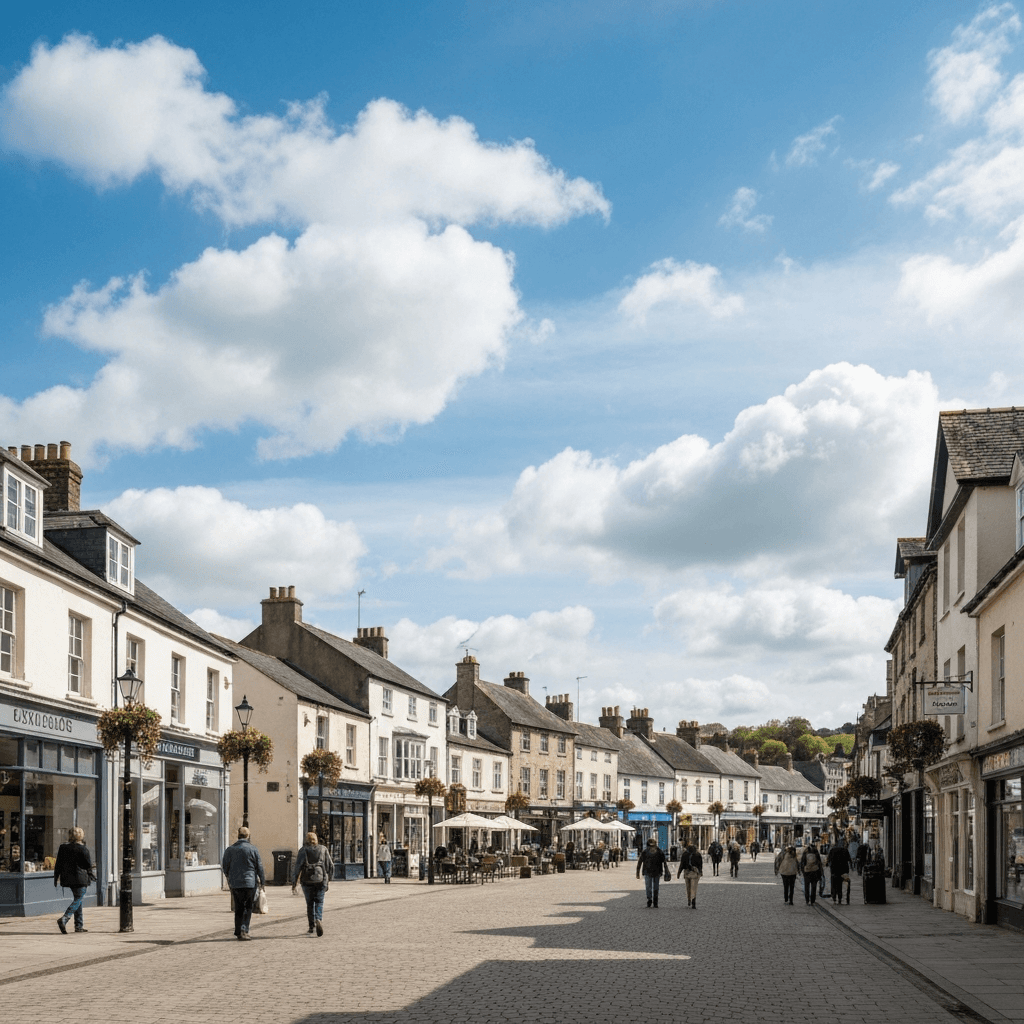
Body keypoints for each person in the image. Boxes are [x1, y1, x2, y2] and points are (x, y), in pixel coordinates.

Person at [221, 826, 266, 941]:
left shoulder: (230, 850)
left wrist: (229, 877)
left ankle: (238, 930)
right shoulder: (253, 849)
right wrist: (262, 882)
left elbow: (225, 866)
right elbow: (259, 867)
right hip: (249, 883)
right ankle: (244, 930)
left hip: (235, 883)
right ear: (248, 836)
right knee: (248, 907)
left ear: (238, 835)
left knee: (239, 907)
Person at [291, 831, 334, 936]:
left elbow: (297, 868)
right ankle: (318, 919)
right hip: (321, 879)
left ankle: (311, 927)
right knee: (319, 902)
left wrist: (294, 883)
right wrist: (329, 879)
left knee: (310, 904)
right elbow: (331, 866)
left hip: (306, 880)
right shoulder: (323, 849)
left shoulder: (303, 851)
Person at [54, 826, 95, 934]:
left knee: (78, 899)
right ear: (81, 836)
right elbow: (88, 865)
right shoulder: (83, 848)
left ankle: (79, 926)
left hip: (68, 878)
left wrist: (56, 877)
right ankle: (65, 918)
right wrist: (91, 874)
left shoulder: (63, 847)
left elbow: (58, 863)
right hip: (80, 878)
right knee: (78, 899)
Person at [636, 837, 667, 908]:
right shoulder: (645, 852)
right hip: (647, 872)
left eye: (653, 846)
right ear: (648, 846)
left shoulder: (659, 852)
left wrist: (666, 871)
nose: (652, 847)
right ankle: (649, 900)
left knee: (655, 887)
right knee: (648, 887)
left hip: (657, 872)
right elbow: (640, 862)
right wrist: (637, 872)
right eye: (651, 846)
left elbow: (664, 862)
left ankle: (655, 901)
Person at [677, 842, 703, 909]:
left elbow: (682, 864)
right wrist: (700, 872)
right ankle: (693, 899)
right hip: (694, 872)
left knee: (688, 887)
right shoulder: (698, 854)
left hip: (687, 872)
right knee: (694, 887)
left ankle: (689, 899)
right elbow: (700, 865)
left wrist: (679, 873)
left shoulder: (685, 854)